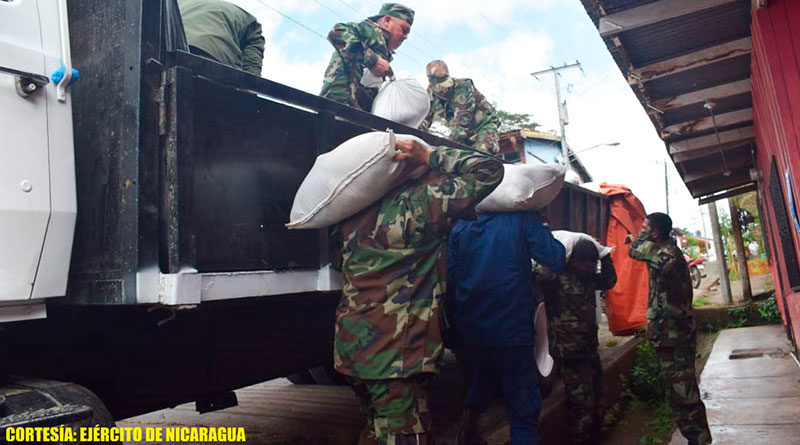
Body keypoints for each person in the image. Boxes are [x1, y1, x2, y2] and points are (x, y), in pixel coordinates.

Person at [332, 138, 503, 445]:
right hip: (395, 357)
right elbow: (489, 171)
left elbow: (338, 262)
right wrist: (430, 154)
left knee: (375, 431)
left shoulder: (350, 215)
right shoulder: (418, 205)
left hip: (352, 352)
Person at [447, 211, 567, 445]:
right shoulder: (523, 220)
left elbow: (450, 278)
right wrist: (542, 225)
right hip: (512, 328)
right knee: (523, 408)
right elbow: (556, 258)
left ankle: (469, 427)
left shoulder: (460, 227)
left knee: (486, 373)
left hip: (472, 329)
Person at [626, 212, 712, 445]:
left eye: (645, 227)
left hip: (676, 334)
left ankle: (700, 438)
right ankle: (694, 437)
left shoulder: (667, 254)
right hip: (668, 333)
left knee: (684, 389)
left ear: (655, 233)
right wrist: (638, 241)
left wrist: (638, 241)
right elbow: (636, 251)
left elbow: (639, 251)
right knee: (677, 390)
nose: (640, 230)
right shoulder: (660, 249)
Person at [536, 239, 617, 445]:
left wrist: (605, 256)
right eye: (586, 263)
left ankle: (596, 437)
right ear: (574, 261)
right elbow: (538, 277)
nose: (590, 268)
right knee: (582, 404)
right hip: (570, 351)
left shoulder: (589, 278)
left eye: (593, 264)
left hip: (589, 348)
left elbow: (609, 280)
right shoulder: (557, 278)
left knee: (600, 397)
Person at [320, 3, 414, 111]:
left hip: (355, 113)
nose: (406, 37)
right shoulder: (370, 30)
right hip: (338, 104)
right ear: (387, 21)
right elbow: (337, 32)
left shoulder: (383, 49)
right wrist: (373, 60)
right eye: (404, 29)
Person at [420, 60, 501, 154]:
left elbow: (461, 126)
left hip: (483, 126)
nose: (445, 89)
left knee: (481, 155)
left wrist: (441, 149)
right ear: (432, 85)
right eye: (441, 88)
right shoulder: (430, 96)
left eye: (446, 84)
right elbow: (423, 122)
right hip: (463, 134)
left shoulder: (463, 87)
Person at [178, 0, 265, 76]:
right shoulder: (248, 19)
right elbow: (253, 61)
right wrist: (249, 89)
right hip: (215, 61)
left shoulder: (180, 3)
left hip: (173, 52)